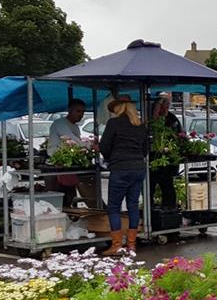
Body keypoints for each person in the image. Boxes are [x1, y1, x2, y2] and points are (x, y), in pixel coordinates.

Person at [99, 96, 147, 256]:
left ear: (119, 108)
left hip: (120, 168)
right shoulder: (140, 126)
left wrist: (111, 156)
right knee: (132, 205)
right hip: (139, 168)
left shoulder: (114, 123)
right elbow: (145, 149)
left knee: (114, 207)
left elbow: (104, 147)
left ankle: (117, 245)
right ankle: (131, 245)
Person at [46, 98, 93, 208]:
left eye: (82, 112)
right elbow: (73, 141)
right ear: (69, 110)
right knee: (58, 198)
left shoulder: (75, 127)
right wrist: (90, 146)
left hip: (68, 165)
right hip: (55, 165)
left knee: (69, 194)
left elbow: (76, 144)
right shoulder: (60, 123)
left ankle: (71, 215)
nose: (81, 115)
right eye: (78, 111)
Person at [149, 93, 183, 210]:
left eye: (162, 107)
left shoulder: (172, 119)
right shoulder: (150, 119)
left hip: (167, 160)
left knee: (167, 186)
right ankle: (150, 211)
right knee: (150, 187)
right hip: (152, 159)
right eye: (157, 107)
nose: (159, 110)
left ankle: (169, 211)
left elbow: (178, 137)